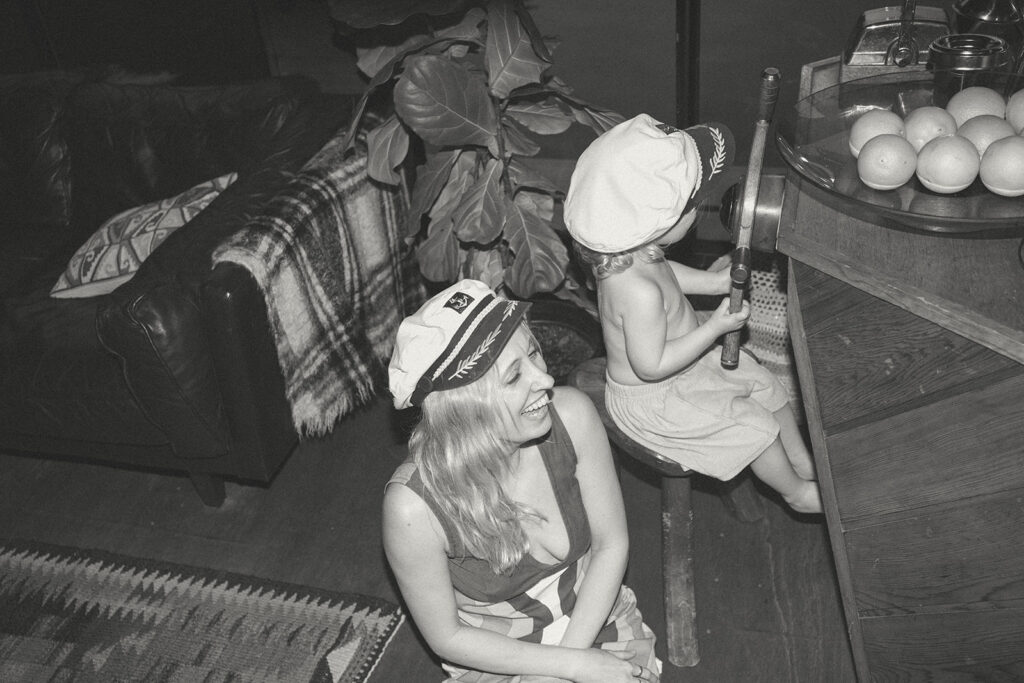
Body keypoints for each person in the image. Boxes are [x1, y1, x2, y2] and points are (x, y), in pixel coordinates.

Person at [384, 279, 661, 683]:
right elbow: (448, 636)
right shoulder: (414, 508)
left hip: (592, 616)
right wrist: (568, 668)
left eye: (534, 353)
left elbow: (610, 545)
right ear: (466, 409)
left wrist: (571, 662)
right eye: (515, 377)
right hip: (498, 657)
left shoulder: (573, 417)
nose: (545, 380)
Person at [564, 114, 821, 515]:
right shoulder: (637, 292)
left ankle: (802, 461)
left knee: (763, 383)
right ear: (660, 221)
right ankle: (795, 492)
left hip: (688, 365)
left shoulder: (632, 252)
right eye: (694, 205)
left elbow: (669, 275)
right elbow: (652, 365)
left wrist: (713, 284)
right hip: (660, 398)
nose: (701, 209)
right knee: (753, 426)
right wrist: (716, 326)